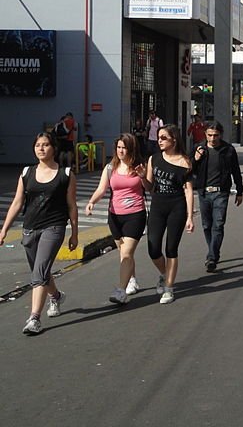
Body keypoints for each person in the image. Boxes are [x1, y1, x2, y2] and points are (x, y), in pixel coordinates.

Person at [0, 131, 78, 335]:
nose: (41, 148)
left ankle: (34, 318)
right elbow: (18, 202)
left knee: (39, 271)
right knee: (40, 271)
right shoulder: (27, 173)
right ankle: (57, 297)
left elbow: (71, 205)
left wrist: (75, 233)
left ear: (54, 148)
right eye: (37, 145)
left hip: (54, 227)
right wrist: (4, 229)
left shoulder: (66, 174)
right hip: (30, 227)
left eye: (45, 145)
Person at [85, 133, 148, 305]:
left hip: (135, 214)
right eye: (119, 147)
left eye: (124, 147)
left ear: (131, 149)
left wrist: (143, 176)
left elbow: (150, 188)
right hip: (114, 216)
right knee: (123, 253)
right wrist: (91, 202)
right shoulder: (110, 167)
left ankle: (121, 291)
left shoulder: (139, 167)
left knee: (127, 253)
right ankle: (132, 279)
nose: (121, 151)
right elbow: (101, 189)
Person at [142, 124, 193, 304]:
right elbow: (149, 187)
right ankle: (165, 274)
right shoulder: (153, 159)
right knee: (153, 247)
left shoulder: (184, 162)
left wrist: (189, 217)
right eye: (159, 137)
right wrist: (142, 177)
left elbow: (188, 190)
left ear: (174, 139)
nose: (160, 141)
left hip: (176, 207)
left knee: (171, 248)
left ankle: (169, 288)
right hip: (157, 206)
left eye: (164, 137)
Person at [192, 120, 243, 272]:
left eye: (216, 135)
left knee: (218, 224)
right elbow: (188, 169)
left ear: (220, 135)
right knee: (207, 225)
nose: (213, 139)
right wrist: (195, 159)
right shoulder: (198, 148)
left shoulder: (228, 150)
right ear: (205, 135)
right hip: (203, 192)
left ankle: (212, 257)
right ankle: (213, 251)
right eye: (210, 135)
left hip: (221, 192)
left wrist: (239, 191)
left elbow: (236, 171)